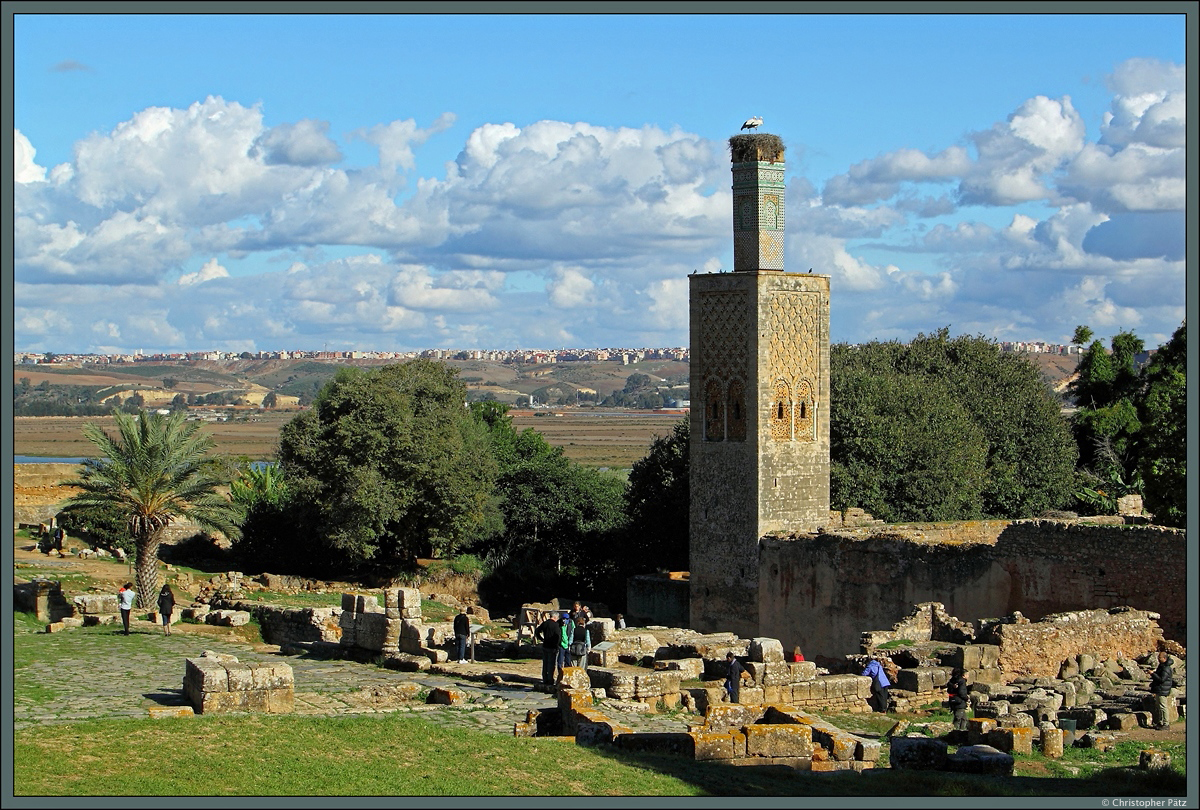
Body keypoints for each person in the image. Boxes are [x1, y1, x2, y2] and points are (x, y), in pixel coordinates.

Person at [1149, 651, 1175, 730]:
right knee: (1159, 706)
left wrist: (1152, 674)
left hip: (1162, 689)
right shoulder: (1162, 666)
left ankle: (1166, 723)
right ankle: (1161, 722)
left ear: (1164, 658)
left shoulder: (1166, 668)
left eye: (1159, 657)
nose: (1158, 658)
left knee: (1163, 707)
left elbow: (1161, 679)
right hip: (1160, 689)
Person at [534, 611, 561, 687]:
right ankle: (550, 679)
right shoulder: (556, 625)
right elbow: (558, 636)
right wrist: (557, 645)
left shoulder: (545, 623)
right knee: (551, 664)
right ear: (555, 617)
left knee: (545, 663)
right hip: (552, 646)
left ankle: (545, 679)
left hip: (545, 645)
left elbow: (537, 631)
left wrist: (542, 639)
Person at [556, 611, 574, 681]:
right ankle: (560, 675)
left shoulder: (571, 623)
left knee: (568, 661)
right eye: (563, 619)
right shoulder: (558, 623)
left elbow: (573, 632)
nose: (565, 620)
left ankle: (567, 676)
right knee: (560, 661)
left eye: (566, 619)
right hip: (561, 645)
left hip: (568, 644)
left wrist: (570, 643)